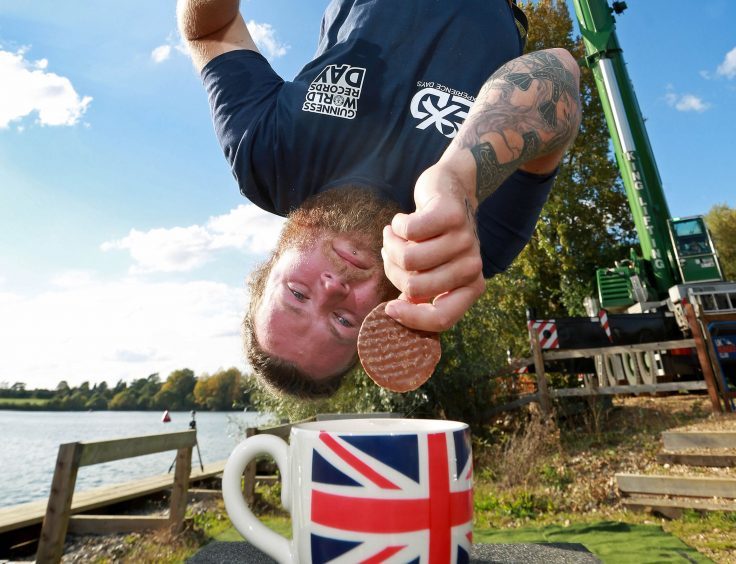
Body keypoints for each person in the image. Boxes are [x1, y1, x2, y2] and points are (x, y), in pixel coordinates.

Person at [177, 0, 581, 398]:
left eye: (298, 294)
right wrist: (460, 178)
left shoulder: (267, 159)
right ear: (381, 321)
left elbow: (208, 30)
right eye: (342, 319)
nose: (332, 288)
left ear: (269, 268)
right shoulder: (469, 243)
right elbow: (559, 72)